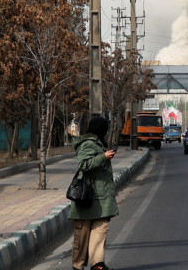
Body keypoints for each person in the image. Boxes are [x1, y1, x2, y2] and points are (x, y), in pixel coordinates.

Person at [70, 116, 119, 270]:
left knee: (101, 230)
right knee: (82, 235)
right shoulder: (88, 144)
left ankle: (97, 264)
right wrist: (103, 157)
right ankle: (77, 266)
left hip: (102, 197)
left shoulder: (98, 143)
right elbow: (84, 164)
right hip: (88, 196)